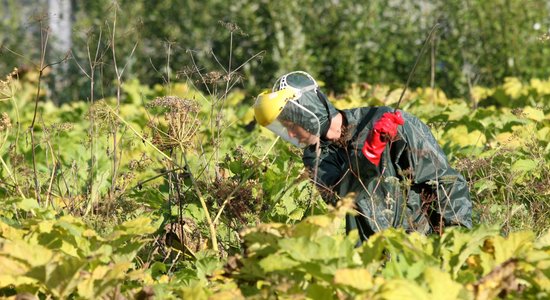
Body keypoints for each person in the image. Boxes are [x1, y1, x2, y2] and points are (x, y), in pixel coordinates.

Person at [254, 71, 472, 242]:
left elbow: (445, 182)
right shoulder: (315, 156)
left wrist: (454, 241)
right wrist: (368, 157)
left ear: (307, 114)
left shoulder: (389, 123)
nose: (290, 135)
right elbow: (341, 200)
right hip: (369, 255)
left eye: (291, 126)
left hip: (420, 241)